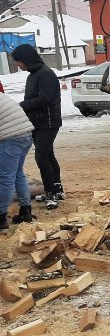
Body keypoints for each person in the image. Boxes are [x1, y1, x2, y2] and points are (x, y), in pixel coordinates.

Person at [11, 44, 63, 211]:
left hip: (48, 122)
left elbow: (46, 98)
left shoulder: (45, 74)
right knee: (48, 155)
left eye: (18, 62)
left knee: (41, 157)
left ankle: (50, 193)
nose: (18, 65)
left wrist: (22, 105)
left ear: (26, 59)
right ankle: (57, 188)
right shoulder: (33, 75)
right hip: (38, 122)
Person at [0, 93, 35, 229]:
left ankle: (1, 216)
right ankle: (25, 211)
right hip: (25, 134)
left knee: (5, 177)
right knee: (17, 173)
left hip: (11, 137)